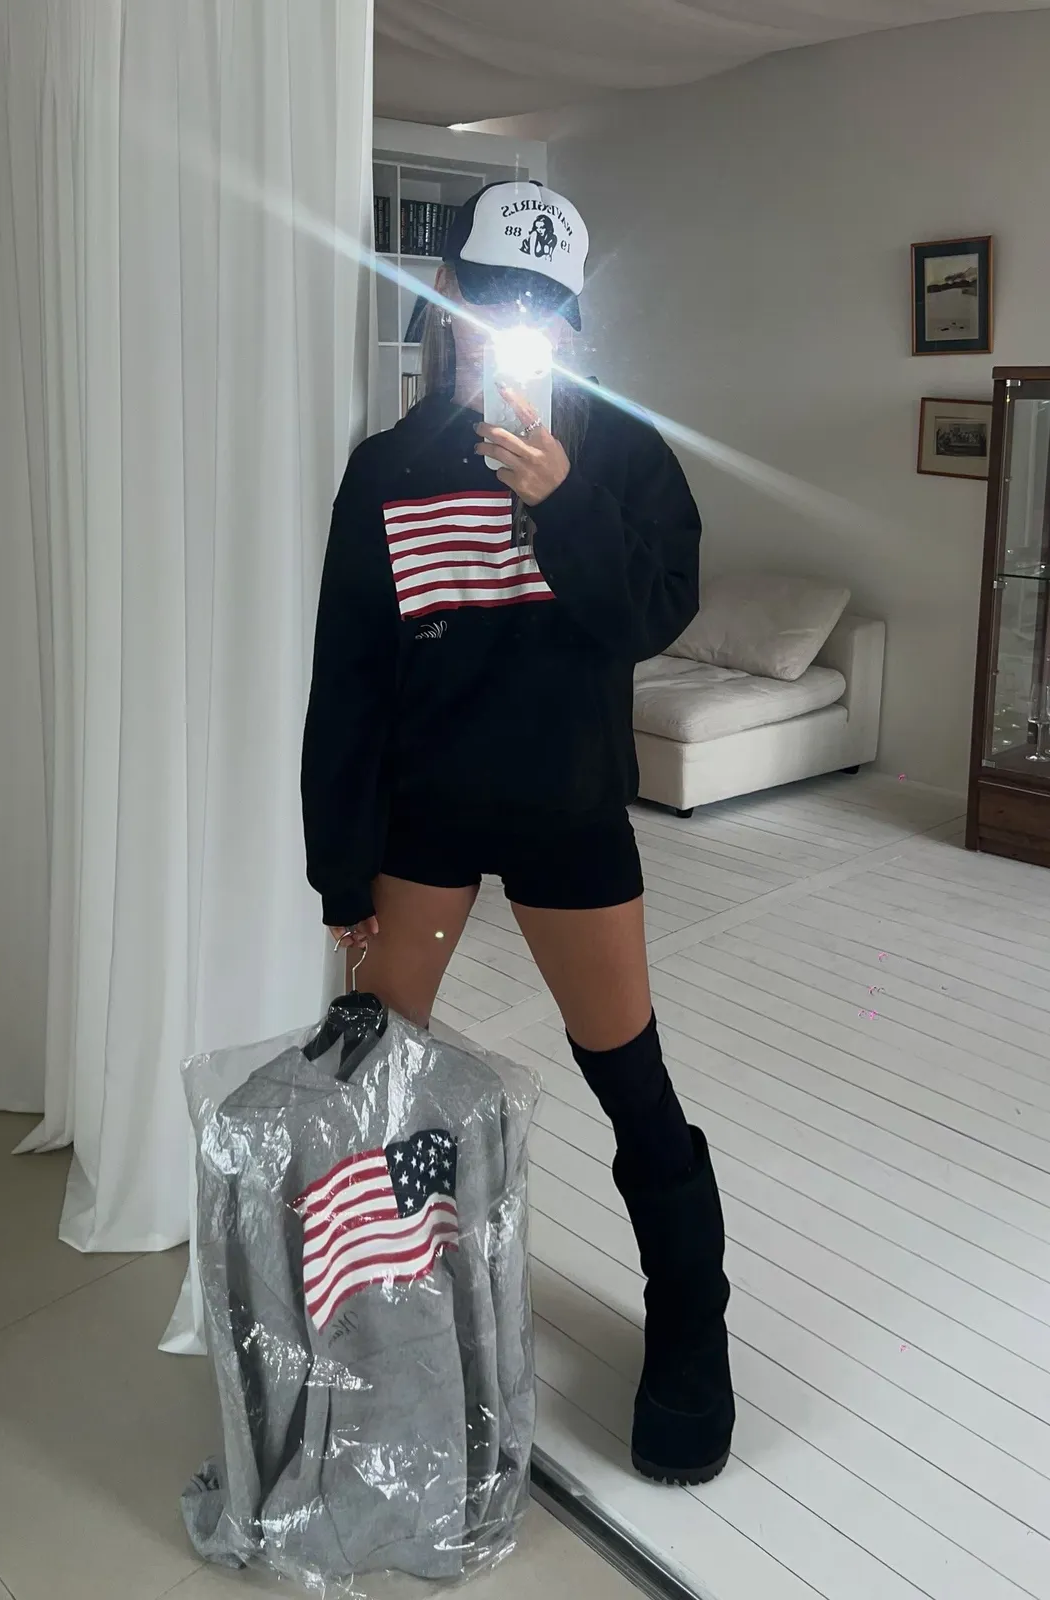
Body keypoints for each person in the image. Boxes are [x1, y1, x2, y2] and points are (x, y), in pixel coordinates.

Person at [300, 181, 734, 1486]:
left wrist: (562, 496)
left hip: (568, 809)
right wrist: (337, 859)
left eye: (540, 310)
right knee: (373, 1078)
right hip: (421, 815)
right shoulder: (387, 469)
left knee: (630, 1077)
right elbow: (348, 680)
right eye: (491, 302)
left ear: (573, 323)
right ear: (448, 302)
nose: (511, 327)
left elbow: (648, 617)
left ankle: (691, 1319)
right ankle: (381, 1313)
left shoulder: (625, 454)